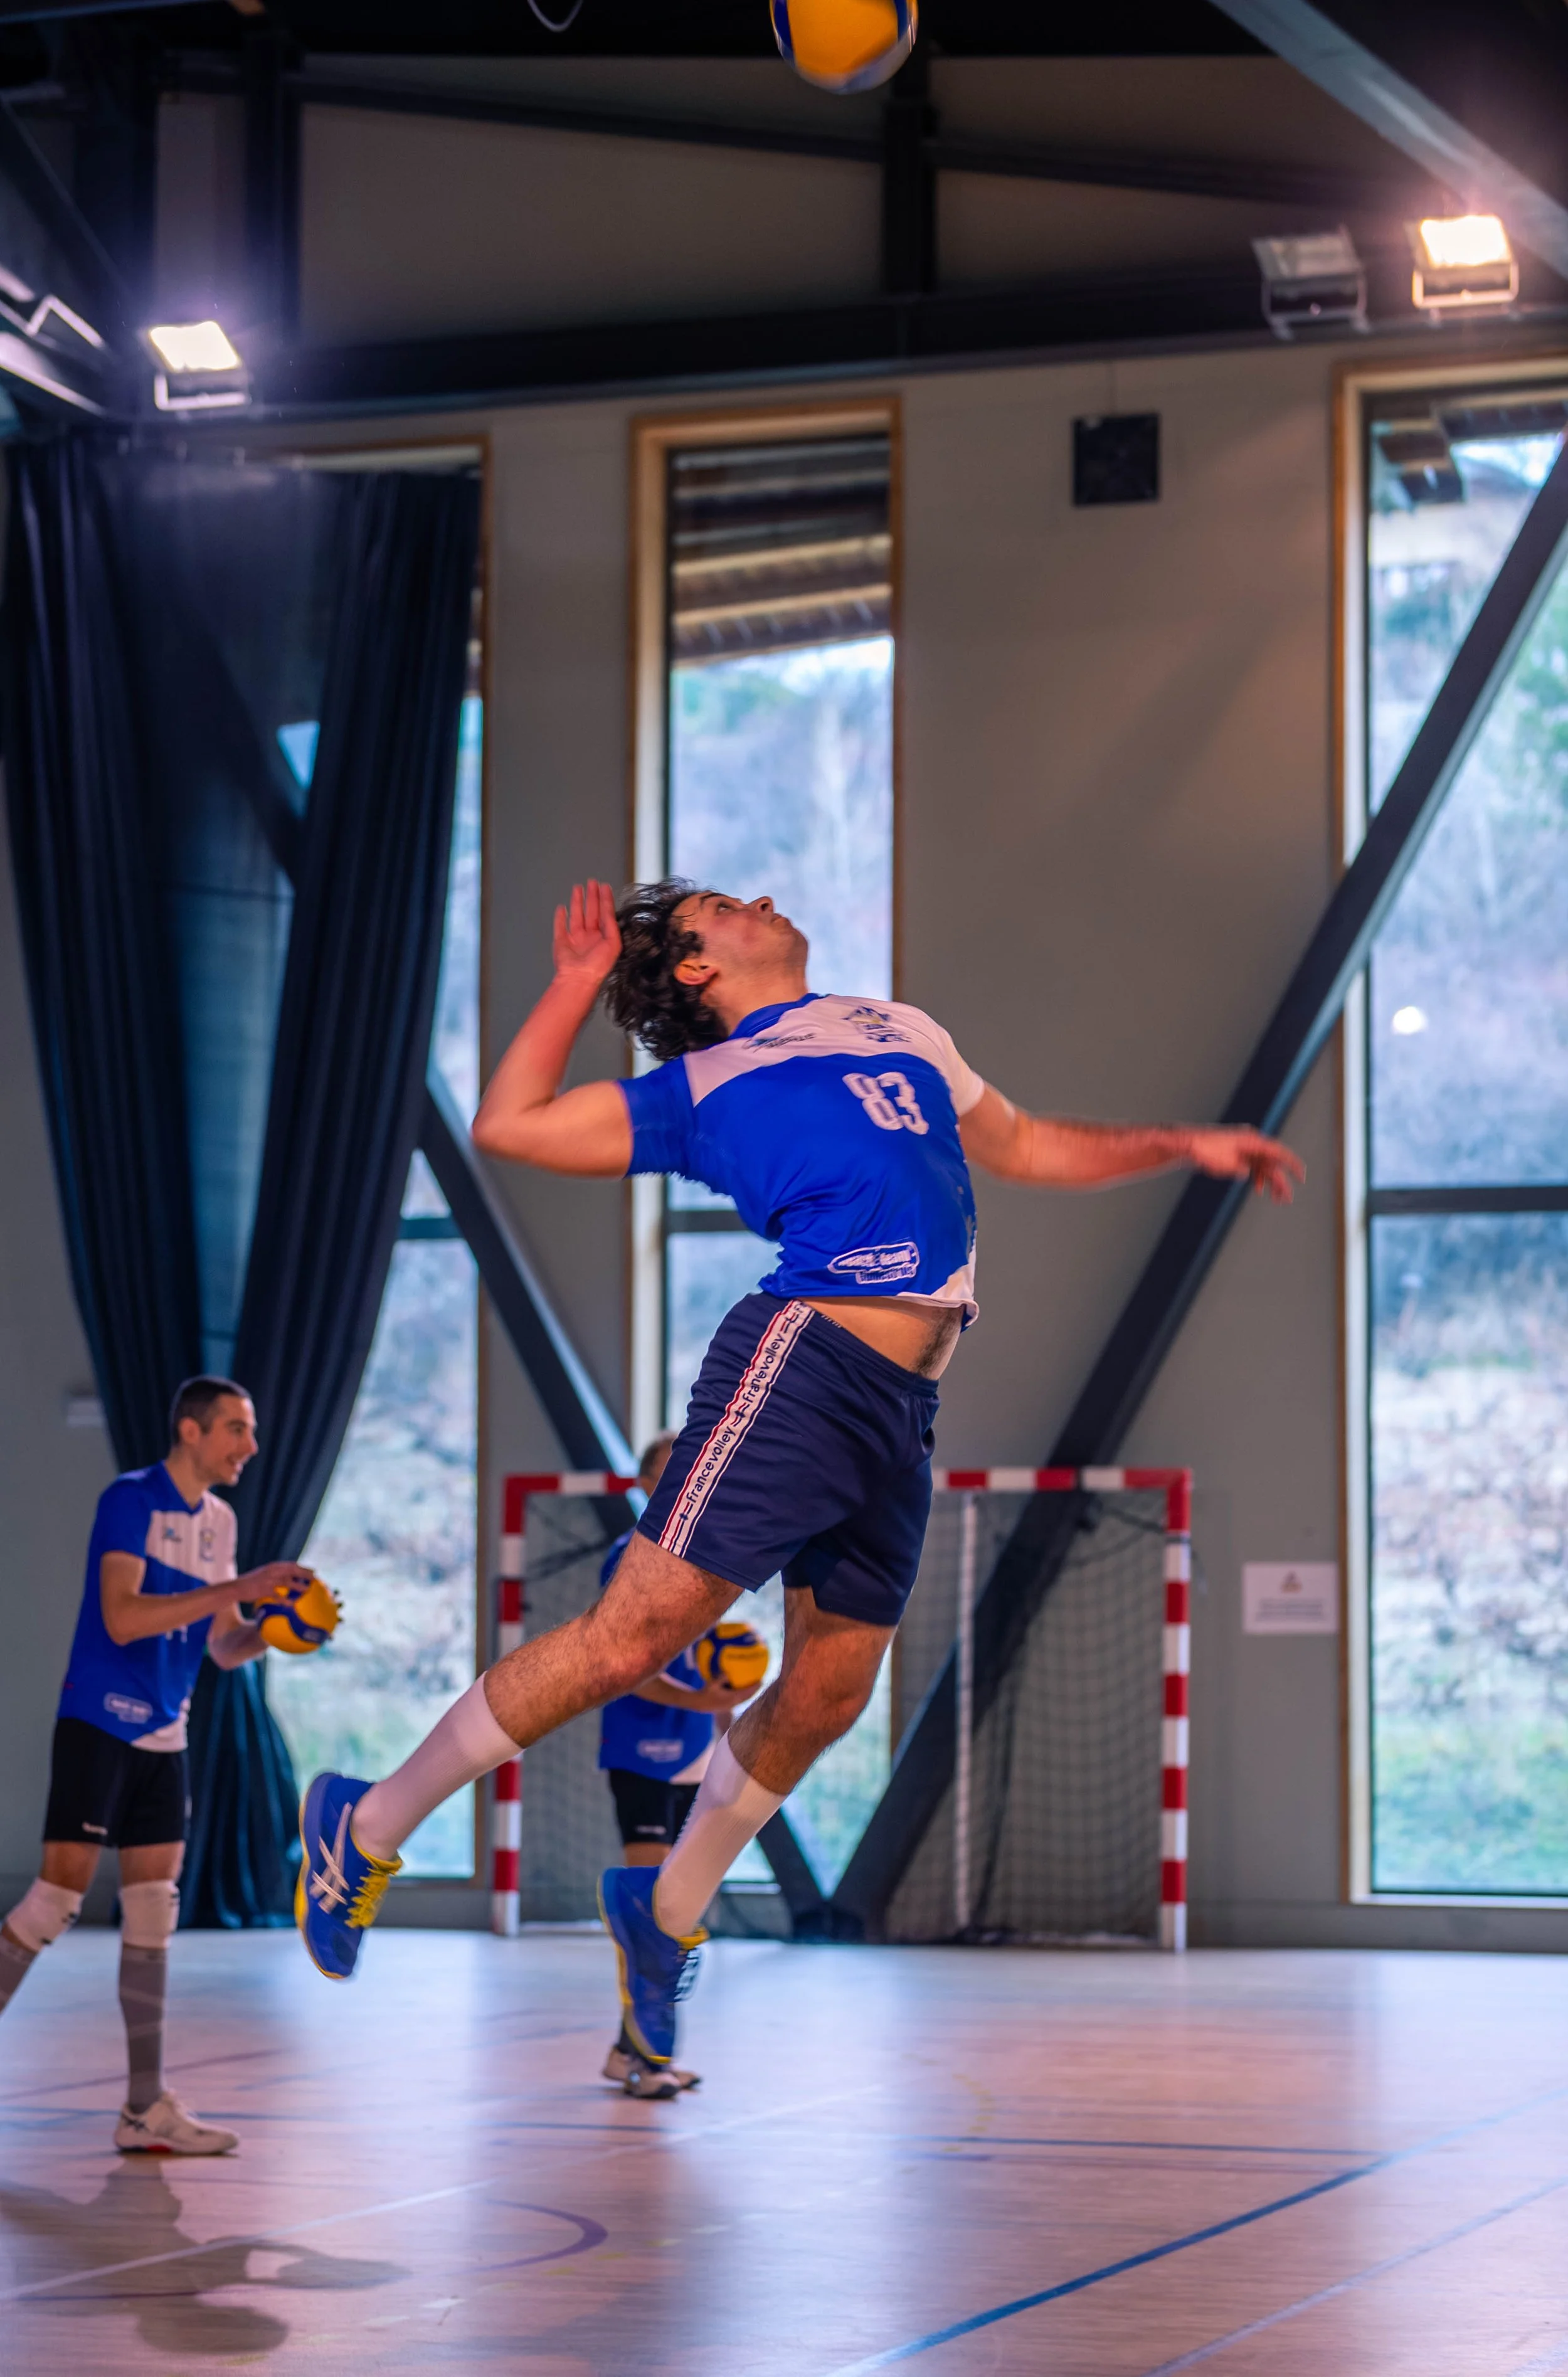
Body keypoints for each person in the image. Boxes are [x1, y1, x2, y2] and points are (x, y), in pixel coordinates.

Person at [298, 879, 1303, 2074]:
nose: (764, 899)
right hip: (804, 1362)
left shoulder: (902, 1027)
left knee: (828, 1695)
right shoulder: (704, 1086)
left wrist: (1178, 1144)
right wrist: (574, 985)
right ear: (695, 968)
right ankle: (366, 1822)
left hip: (903, 1402)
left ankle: (665, 1914)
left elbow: (1026, 1143)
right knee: (632, 1639)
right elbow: (511, 1125)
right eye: (728, 904)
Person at [0, 1376, 314, 2154]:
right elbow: (122, 1615)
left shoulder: (221, 1522)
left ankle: (144, 2106)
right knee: (53, 1903)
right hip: (100, 1721)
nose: (251, 1445)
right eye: (236, 1428)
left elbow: (223, 1646)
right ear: (191, 1430)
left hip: (167, 1735)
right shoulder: (131, 1499)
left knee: (153, 1910)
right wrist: (238, 1587)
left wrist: (274, 1629)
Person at [596, 1429, 761, 2100]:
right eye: (666, 1473)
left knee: (679, 1907)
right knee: (651, 1907)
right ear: (642, 1485)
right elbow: (622, 1666)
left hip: (696, 1753)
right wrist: (702, 1700)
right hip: (640, 1751)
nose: (681, 1481)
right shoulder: (627, 1558)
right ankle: (645, 2059)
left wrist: (727, 1717)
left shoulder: (708, 1556)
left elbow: (710, 1667)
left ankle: (628, 2051)